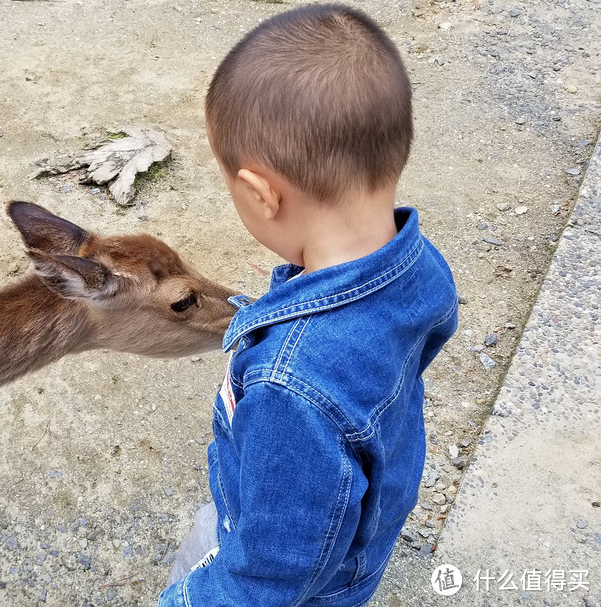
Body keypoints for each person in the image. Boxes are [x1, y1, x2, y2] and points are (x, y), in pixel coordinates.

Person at [159, 5, 459, 606]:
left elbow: (272, 574)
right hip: (365, 526)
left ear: (260, 193)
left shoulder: (289, 387)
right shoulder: (419, 261)